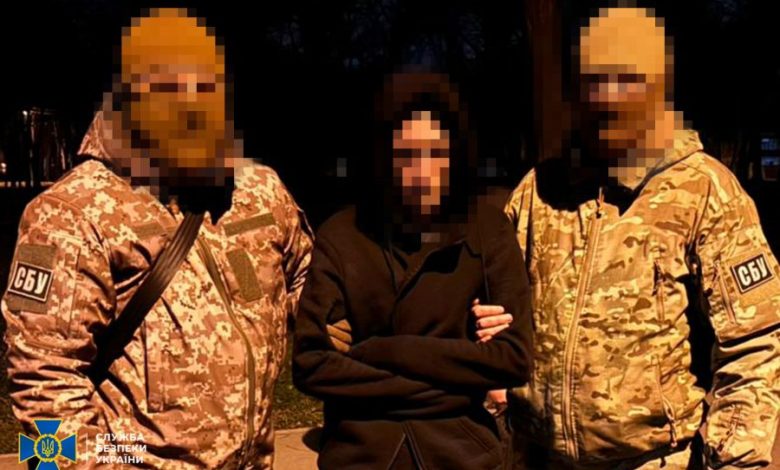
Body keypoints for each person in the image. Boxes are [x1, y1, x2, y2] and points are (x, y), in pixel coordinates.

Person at [2, 8, 312, 468]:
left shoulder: (257, 191)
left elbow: (310, 287)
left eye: (206, 86)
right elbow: (43, 389)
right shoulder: (69, 214)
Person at [501, 5, 780, 469]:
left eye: (625, 78)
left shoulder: (703, 190)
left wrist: (734, 459)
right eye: (594, 79)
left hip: (655, 461)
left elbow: (756, 345)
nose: (608, 96)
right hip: (539, 459)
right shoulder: (540, 190)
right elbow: (491, 305)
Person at [293, 71, 534, 469]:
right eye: (406, 154)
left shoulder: (487, 230)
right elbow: (311, 365)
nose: (421, 173)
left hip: (461, 452)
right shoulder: (342, 235)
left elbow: (514, 358)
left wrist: (382, 351)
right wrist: (456, 384)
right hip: (361, 455)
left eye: (435, 153)